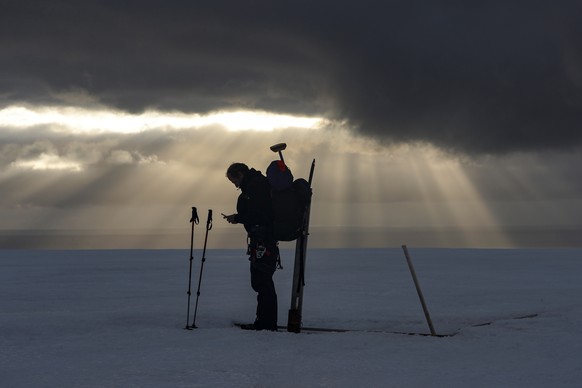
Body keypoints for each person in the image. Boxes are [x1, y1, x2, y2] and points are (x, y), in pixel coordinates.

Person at [223, 162, 279, 331]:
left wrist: (238, 218)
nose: (236, 185)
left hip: (263, 238)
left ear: (240, 174)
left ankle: (265, 324)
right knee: (262, 281)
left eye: (235, 181)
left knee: (262, 281)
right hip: (263, 238)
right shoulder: (258, 183)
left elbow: (258, 214)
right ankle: (264, 322)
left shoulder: (255, 186)